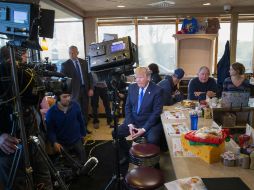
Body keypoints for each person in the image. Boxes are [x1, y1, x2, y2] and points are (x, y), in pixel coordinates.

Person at [0, 46, 53, 190]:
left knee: (43, 180)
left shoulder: (24, 83)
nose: (26, 67)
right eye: (22, 60)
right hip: (9, 150)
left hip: (34, 140)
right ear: (10, 62)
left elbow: (36, 98)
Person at [113, 67, 163, 164]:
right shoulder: (132, 87)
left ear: (148, 77)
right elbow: (127, 107)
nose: (137, 80)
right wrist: (130, 124)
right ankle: (127, 156)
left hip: (150, 124)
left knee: (153, 139)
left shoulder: (157, 90)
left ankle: (153, 164)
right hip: (134, 121)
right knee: (115, 133)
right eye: (136, 77)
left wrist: (144, 129)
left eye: (140, 77)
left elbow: (156, 113)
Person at [45, 90, 87, 165]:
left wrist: (83, 134)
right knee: (66, 164)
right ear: (58, 98)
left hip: (76, 139)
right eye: (64, 96)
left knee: (83, 161)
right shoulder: (51, 112)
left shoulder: (76, 105)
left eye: (69, 96)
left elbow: (81, 121)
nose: (68, 98)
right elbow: (50, 130)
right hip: (62, 142)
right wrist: (54, 142)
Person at [61, 46, 93, 132]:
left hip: (85, 90)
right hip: (74, 93)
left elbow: (89, 76)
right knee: (76, 111)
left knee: (85, 110)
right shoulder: (65, 65)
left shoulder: (84, 62)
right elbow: (63, 81)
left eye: (73, 52)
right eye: (70, 53)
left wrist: (91, 88)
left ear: (77, 53)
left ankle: (84, 128)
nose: (71, 54)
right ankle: (77, 130)